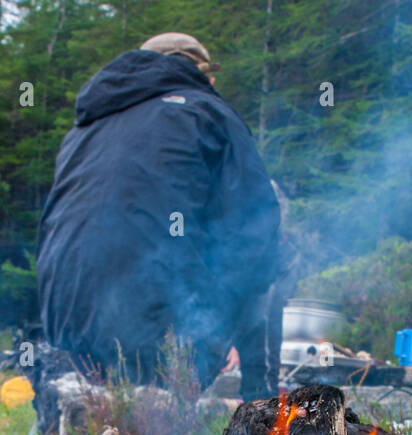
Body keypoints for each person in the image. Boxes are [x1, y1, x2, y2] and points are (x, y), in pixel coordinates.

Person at [35, 33, 281, 408]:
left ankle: (87, 416)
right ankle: (262, 415)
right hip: (162, 336)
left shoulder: (83, 129)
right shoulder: (207, 110)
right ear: (196, 70)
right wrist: (224, 323)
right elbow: (255, 226)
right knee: (276, 267)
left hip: (65, 331)